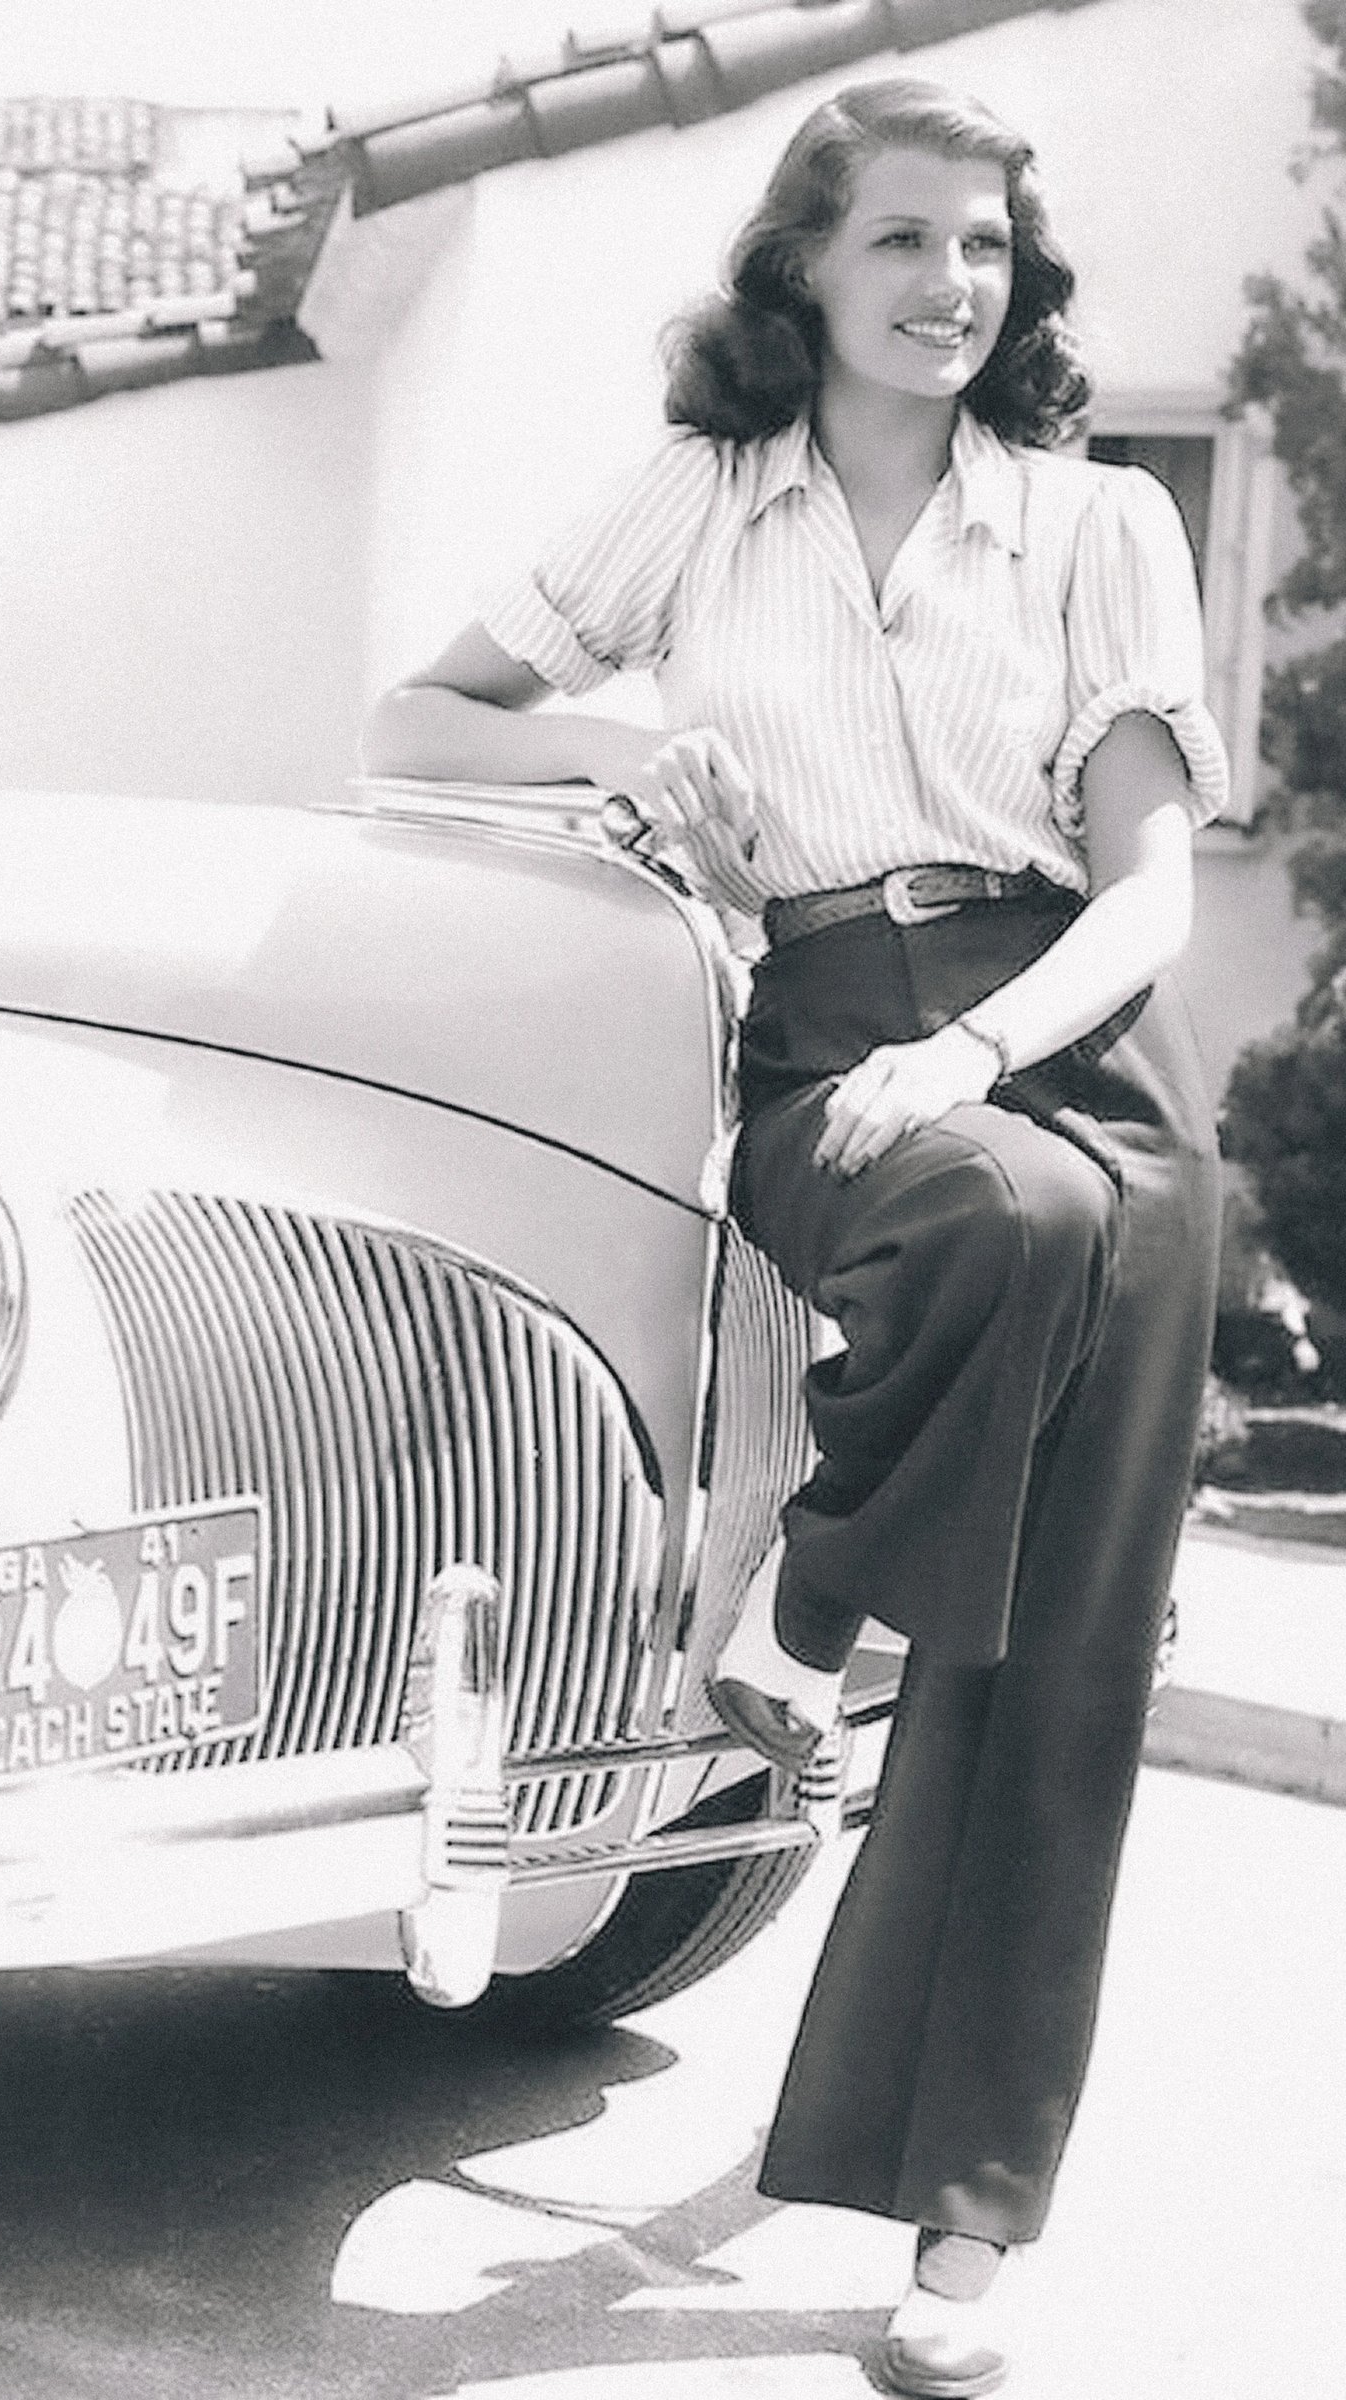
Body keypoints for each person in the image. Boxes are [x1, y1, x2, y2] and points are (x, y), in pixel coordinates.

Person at [362, 77, 1224, 2400]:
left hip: (1061, 1021)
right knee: (993, 1214)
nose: (951, 285)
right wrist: (615, 771)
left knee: (1053, 1656)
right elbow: (414, 712)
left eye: (984, 249)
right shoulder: (696, 508)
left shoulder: (1091, 522)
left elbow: (1146, 882)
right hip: (823, 1031)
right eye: (900, 244)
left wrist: (978, 1047)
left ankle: (963, 2212)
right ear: (803, 272)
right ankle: (815, 1597)